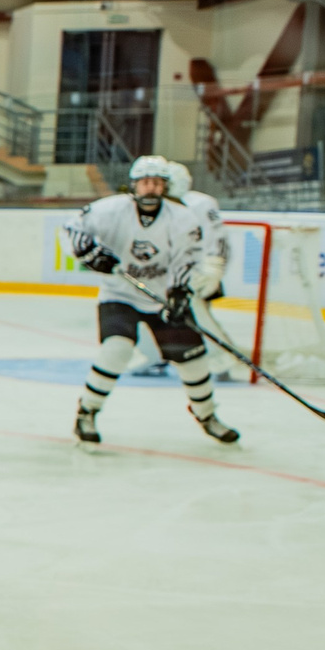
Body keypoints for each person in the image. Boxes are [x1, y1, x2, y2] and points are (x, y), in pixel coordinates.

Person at [69, 154, 236, 447]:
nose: (151, 188)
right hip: (119, 294)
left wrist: (180, 292)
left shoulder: (182, 218)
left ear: (165, 187)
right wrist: (89, 254)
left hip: (162, 299)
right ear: (134, 185)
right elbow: (74, 228)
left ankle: (207, 416)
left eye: (157, 183)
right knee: (117, 349)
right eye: (145, 182)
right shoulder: (111, 209)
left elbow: (187, 258)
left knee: (193, 359)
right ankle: (87, 412)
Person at [166, 161, 242, 378]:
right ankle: (157, 356)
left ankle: (223, 360)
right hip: (170, 272)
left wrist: (213, 269)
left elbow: (218, 238)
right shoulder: (161, 206)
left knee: (197, 314)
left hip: (196, 272)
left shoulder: (200, 204)